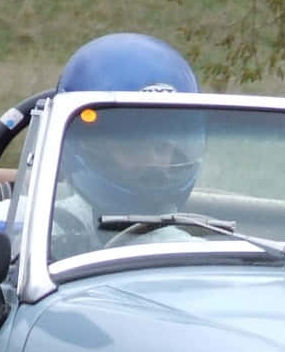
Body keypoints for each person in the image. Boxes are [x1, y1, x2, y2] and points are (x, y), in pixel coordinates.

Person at [49, 32, 206, 259]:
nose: (155, 163)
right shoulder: (32, 223)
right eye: (137, 145)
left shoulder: (188, 250)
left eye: (164, 148)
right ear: (90, 144)